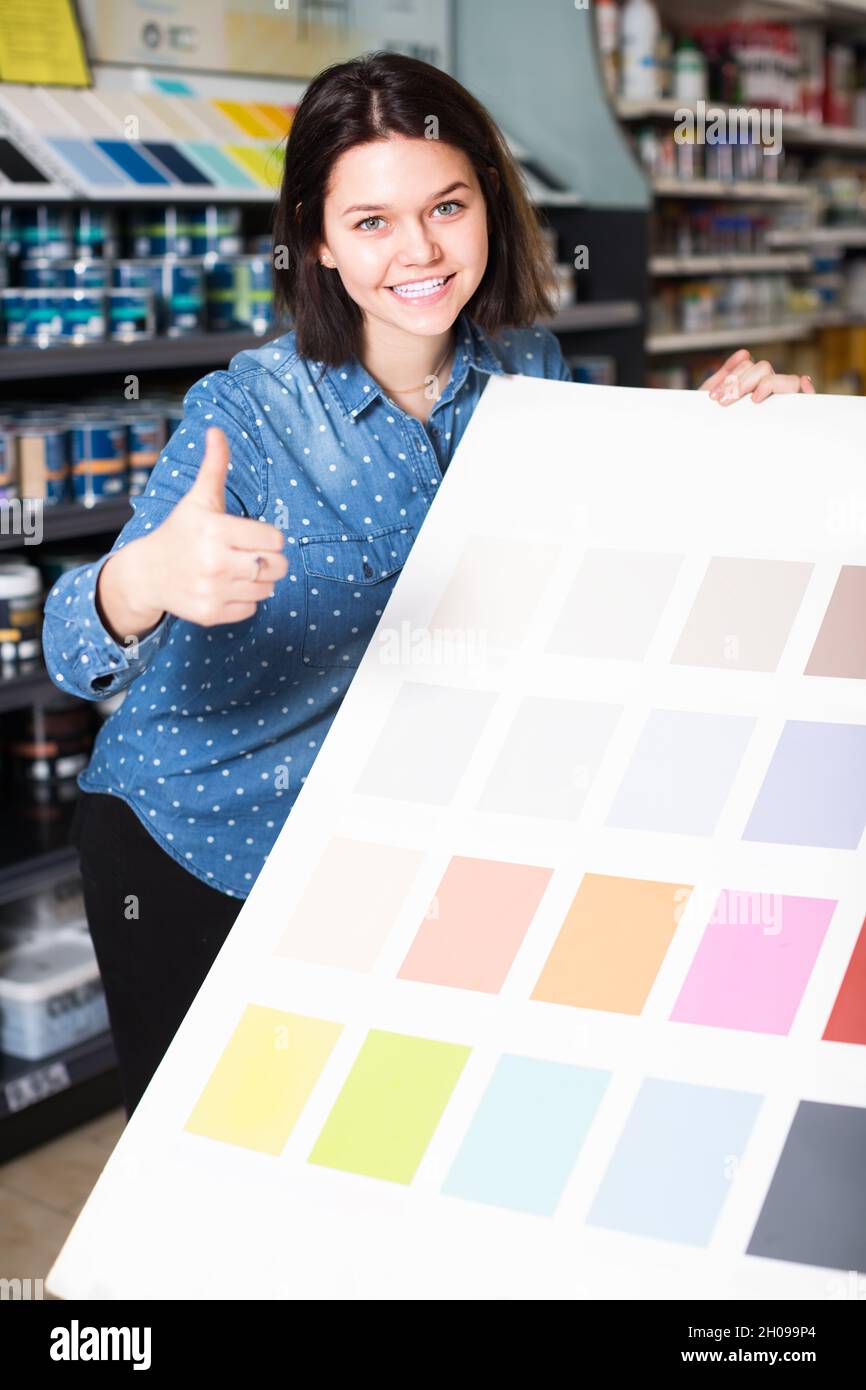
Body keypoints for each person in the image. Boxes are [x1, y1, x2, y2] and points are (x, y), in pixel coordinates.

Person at [43, 51, 815, 1118]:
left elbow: (619, 549)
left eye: (445, 206)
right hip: (195, 845)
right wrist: (142, 580)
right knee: (213, 1178)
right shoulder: (249, 413)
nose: (417, 250)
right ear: (316, 237)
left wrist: (751, 437)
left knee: (366, 1145)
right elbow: (71, 651)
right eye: (369, 222)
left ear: (486, 206)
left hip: (390, 844)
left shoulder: (528, 373)